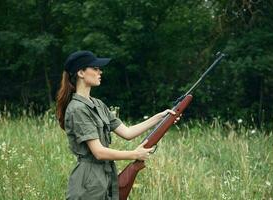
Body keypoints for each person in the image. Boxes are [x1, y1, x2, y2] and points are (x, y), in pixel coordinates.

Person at [56, 50, 180, 200]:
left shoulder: (98, 104)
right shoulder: (77, 109)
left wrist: (160, 118)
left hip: (106, 177)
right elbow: (99, 152)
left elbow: (127, 133)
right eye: (95, 68)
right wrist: (134, 154)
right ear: (81, 73)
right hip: (88, 182)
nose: (100, 72)